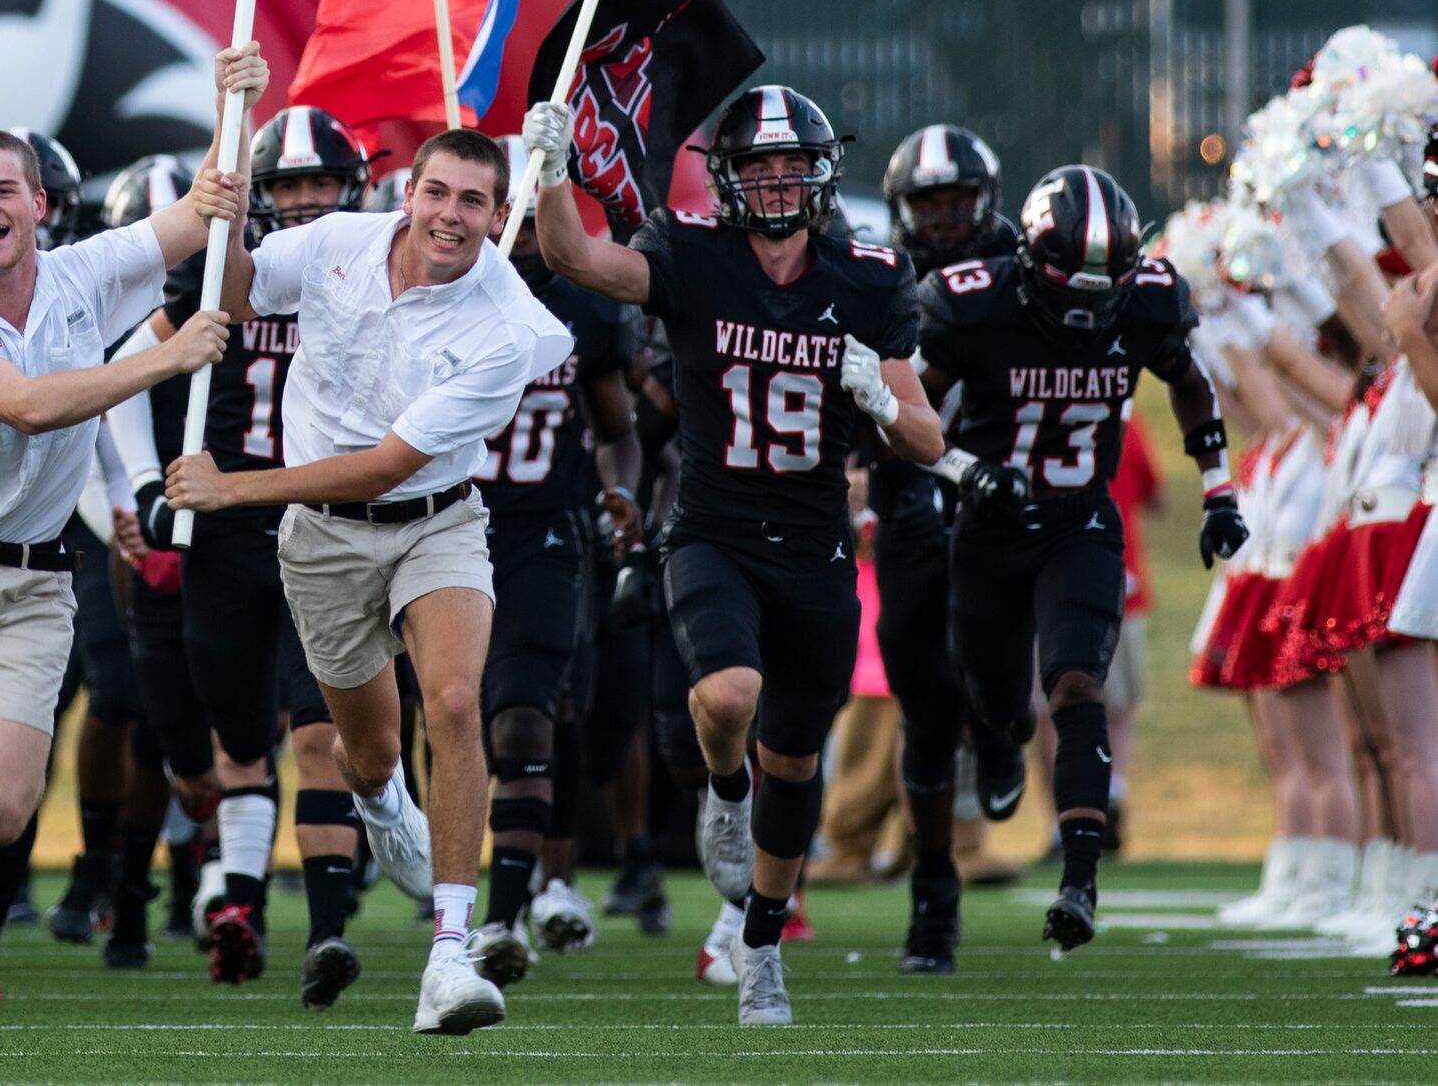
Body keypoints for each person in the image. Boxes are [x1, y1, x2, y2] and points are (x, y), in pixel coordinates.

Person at [0, 53, 250, 1064]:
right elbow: (27, 410)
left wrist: (228, 105)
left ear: (38, 202)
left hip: (29, 578)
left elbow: (204, 206)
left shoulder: (77, 272)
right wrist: (163, 355)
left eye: (2, 191)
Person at [526, 86, 947, 1028]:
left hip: (816, 546)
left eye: (789, 166)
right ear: (727, 179)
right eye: (756, 168)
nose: (774, 183)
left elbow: (926, 438)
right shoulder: (692, 256)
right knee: (724, 696)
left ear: (820, 174)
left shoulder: (870, 278)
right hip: (712, 527)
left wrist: (876, 404)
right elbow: (573, 256)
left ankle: (759, 944)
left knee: (794, 764)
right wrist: (551, 173)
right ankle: (723, 788)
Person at [166, 118, 573, 1038]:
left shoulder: (509, 328)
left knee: (458, 704)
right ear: (407, 193)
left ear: (497, 213)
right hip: (320, 543)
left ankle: (448, 953)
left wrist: (233, 488)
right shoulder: (337, 241)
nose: (451, 216)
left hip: (437, 520)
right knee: (370, 755)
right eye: (437, 193)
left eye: (473, 201)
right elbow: (230, 293)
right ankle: (384, 803)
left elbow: (387, 466)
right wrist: (219, 218)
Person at [913, 165, 1242, 951]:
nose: (1085, 313)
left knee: (1077, 682)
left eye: (1104, 293)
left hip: (1077, 521)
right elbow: (908, 416)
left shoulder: (1148, 299)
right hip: (989, 523)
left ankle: (1079, 880)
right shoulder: (973, 303)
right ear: (1028, 264)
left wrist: (1220, 492)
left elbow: (1187, 382)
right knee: (996, 699)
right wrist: (961, 471)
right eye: (1069, 292)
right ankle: (994, 743)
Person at [135, 105, 368, 1001]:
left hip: (331, 528)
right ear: (261, 196)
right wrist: (139, 492)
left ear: (351, 188)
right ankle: (237, 899)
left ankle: (324, 936)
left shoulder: (380, 271)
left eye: (320, 182)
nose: (307, 200)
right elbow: (127, 371)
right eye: (289, 185)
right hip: (228, 530)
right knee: (237, 743)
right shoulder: (220, 275)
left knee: (322, 737)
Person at [467, 143, 642, 984]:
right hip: (441, 529)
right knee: (452, 718)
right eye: (515, 214)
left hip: (542, 529)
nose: (528, 233)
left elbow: (616, 430)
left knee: (531, 711)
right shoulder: (434, 295)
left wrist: (623, 491)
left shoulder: (583, 309)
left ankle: (503, 915)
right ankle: (468, 895)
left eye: (542, 215)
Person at [872, 122, 1017, 972]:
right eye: (929, 205)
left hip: (1003, 495)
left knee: (1003, 664)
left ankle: (1002, 731)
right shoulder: (880, 280)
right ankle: (934, 887)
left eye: (957, 201)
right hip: (908, 497)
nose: (945, 219)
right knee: (923, 705)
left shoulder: (1020, 273)